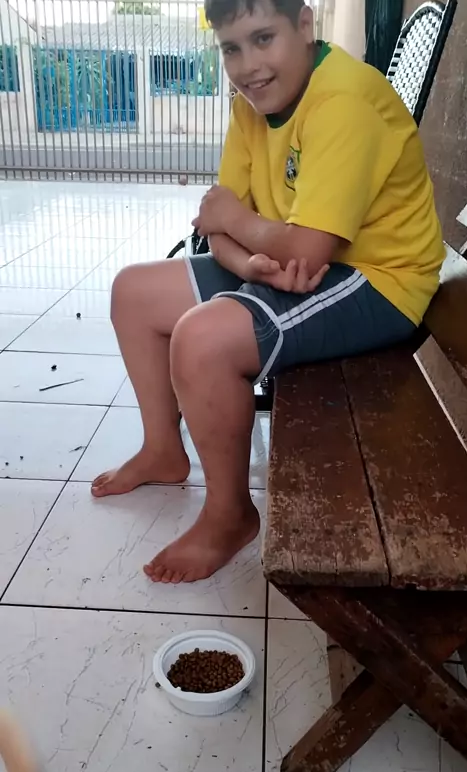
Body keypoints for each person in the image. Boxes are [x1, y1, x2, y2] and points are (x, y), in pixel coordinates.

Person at [91, 0, 445, 584]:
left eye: (263, 38)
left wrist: (244, 229)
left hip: (379, 279)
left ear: (304, 26)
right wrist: (250, 262)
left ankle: (229, 515)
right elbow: (218, 230)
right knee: (133, 292)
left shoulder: (344, 101)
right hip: (291, 261)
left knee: (202, 340)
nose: (248, 65)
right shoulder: (250, 108)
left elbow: (297, 246)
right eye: (231, 48)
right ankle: (162, 449)